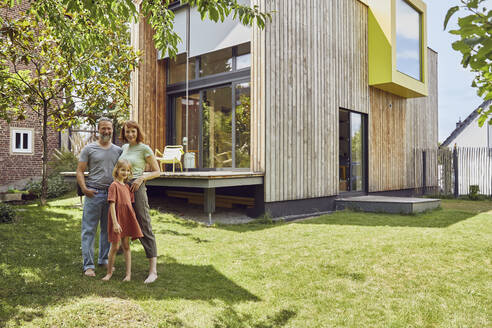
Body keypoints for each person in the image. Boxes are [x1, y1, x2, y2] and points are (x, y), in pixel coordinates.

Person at [76, 117, 122, 277]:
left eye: (109, 128)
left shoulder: (118, 150)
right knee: (88, 230)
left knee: (106, 230)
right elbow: (80, 171)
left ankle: (103, 260)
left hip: (111, 196)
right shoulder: (89, 149)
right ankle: (88, 266)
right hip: (93, 193)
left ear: (112, 130)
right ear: (98, 130)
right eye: (103, 128)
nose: (106, 131)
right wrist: (84, 189)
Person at [119, 120, 160, 283]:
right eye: (127, 131)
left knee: (144, 224)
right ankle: (119, 263)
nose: (130, 134)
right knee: (123, 223)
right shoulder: (123, 148)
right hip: (123, 187)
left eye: (133, 131)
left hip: (137, 187)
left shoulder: (144, 148)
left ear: (138, 132)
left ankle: (153, 271)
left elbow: (157, 171)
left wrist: (142, 178)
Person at [102, 159, 143, 282]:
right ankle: (109, 273)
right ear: (117, 170)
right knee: (114, 247)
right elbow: (112, 205)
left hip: (127, 219)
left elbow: (129, 205)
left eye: (127, 170)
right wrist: (115, 223)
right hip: (117, 219)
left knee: (126, 246)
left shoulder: (127, 187)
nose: (125, 172)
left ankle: (128, 275)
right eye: (123, 170)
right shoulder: (114, 186)